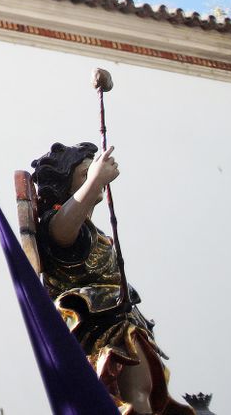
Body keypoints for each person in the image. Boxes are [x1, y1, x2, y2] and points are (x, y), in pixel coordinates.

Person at [31, 142, 192, 415]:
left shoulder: (92, 231)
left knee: (147, 393)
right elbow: (62, 231)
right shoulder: (58, 225)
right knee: (135, 395)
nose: (96, 177)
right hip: (100, 329)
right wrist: (95, 181)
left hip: (120, 321)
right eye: (84, 173)